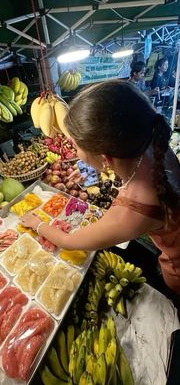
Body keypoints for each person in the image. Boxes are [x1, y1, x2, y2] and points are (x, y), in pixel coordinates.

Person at [21, 81, 180, 295]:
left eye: (76, 147)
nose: (75, 152)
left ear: (104, 157)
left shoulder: (134, 208)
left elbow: (70, 241)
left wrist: (37, 224)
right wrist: (91, 170)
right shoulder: (148, 139)